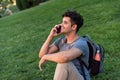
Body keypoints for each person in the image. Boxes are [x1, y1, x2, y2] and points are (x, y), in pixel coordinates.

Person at [38, 10, 90, 80]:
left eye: (65, 23)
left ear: (74, 27)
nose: (61, 25)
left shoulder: (81, 43)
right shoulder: (61, 41)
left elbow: (64, 58)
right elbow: (41, 55)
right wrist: (51, 36)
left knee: (64, 63)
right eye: (62, 22)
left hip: (80, 77)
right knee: (62, 62)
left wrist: (45, 57)